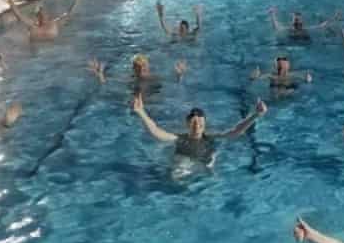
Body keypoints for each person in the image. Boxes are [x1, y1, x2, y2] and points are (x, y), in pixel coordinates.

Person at [131, 94, 268, 169]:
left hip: (205, 166)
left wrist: (256, 115)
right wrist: (140, 112)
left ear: (205, 124)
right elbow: (156, 131)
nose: (197, 126)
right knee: (180, 169)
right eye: (194, 123)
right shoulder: (179, 138)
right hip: (185, 166)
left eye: (200, 123)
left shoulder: (210, 138)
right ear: (187, 124)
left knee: (210, 165)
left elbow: (235, 131)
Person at [4, 0, 80, 41]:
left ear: (47, 15)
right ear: (37, 17)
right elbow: (18, 14)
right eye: (40, 14)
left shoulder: (54, 24)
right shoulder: (33, 26)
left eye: (43, 13)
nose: (42, 16)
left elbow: (69, 13)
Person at [88, 54, 187, 90]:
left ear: (148, 68)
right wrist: (100, 74)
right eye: (138, 67)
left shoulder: (154, 78)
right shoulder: (130, 79)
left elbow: (174, 83)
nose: (140, 70)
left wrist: (179, 75)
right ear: (133, 69)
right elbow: (106, 83)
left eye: (143, 67)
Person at [268, 7, 340, 42]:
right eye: (297, 20)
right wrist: (272, 15)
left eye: (297, 20)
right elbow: (323, 25)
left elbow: (277, 27)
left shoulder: (291, 29)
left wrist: (272, 14)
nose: (298, 22)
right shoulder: (304, 29)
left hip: (296, 41)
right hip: (303, 42)